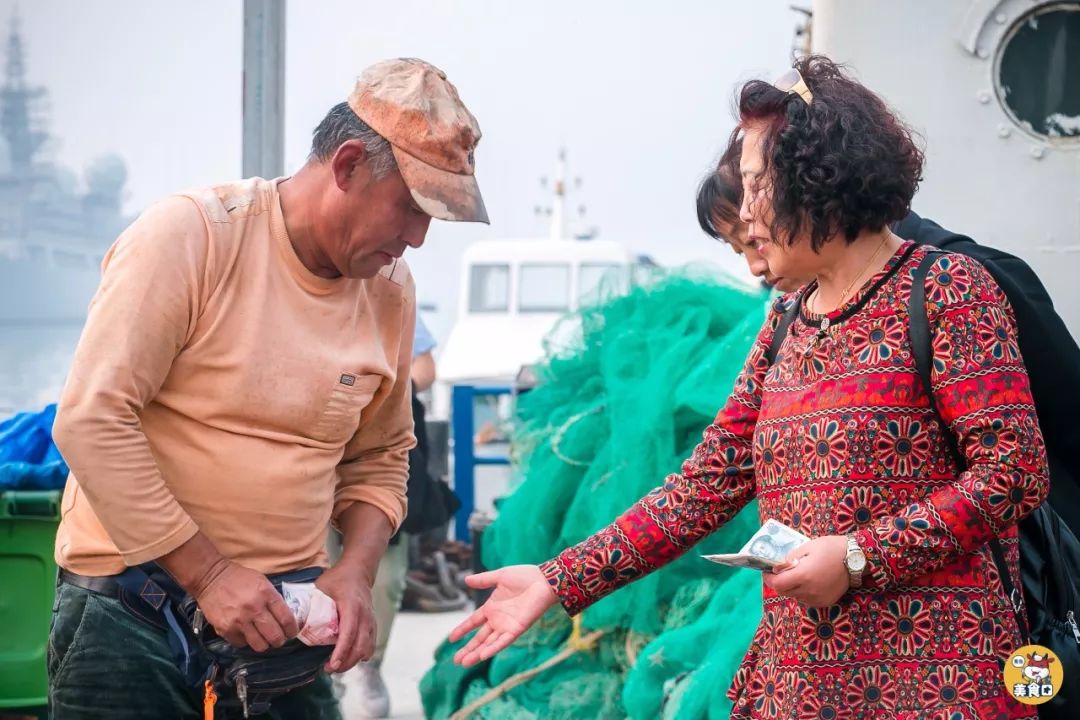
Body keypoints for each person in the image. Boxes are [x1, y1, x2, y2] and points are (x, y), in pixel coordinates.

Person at [451, 56, 1048, 719]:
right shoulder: (786, 324)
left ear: (821, 175)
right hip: (801, 686)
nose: (749, 212)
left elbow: (1013, 473)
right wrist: (558, 579)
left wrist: (857, 558)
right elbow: (701, 487)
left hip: (938, 686)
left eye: (760, 185)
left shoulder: (946, 289)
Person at [48, 58, 488, 719]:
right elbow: (92, 420)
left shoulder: (390, 292)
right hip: (129, 620)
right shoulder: (191, 237)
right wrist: (211, 575)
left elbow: (382, 456)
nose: (418, 238)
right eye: (412, 207)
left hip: (284, 627)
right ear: (346, 167)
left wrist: (357, 571)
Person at [350, 309, 438, 719]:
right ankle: (320, 677)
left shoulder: (390, 291)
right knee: (308, 570)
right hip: (311, 460)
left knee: (384, 579)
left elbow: (425, 365)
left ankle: (370, 666)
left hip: (381, 447)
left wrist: (389, 393)